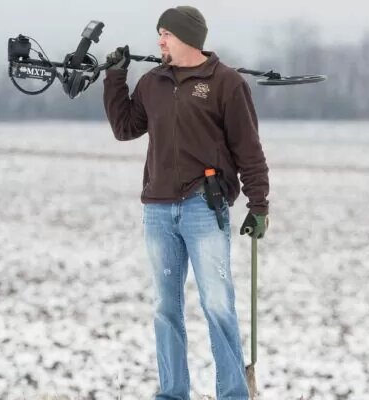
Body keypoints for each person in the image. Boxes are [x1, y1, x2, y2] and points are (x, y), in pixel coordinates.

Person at [102, 5, 269, 400]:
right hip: (157, 209)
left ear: (188, 39)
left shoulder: (225, 83)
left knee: (217, 304)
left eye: (166, 34)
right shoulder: (152, 82)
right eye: (159, 33)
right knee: (165, 307)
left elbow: (249, 148)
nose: (159, 41)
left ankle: (232, 393)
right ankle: (172, 393)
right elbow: (125, 128)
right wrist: (115, 77)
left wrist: (258, 203)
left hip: (203, 207)